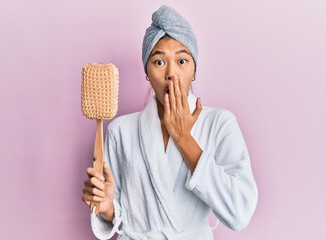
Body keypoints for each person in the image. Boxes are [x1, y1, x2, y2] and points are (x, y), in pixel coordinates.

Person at [82, 5, 258, 240]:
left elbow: (240, 211)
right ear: (146, 71)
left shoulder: (220, 124)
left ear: (194, 69)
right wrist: (106, 208)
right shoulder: (120, 131)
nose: (171, 74)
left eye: (182, 61)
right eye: (159, 62)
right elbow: (118, 212)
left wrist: (184, 139)